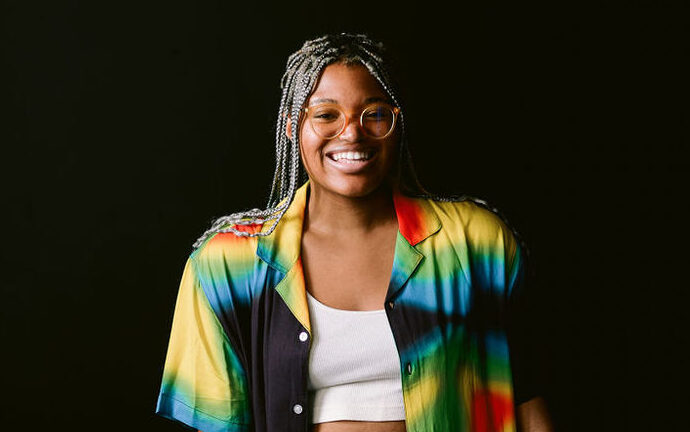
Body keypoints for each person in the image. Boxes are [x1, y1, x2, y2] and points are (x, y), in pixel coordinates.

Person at [155, 33, 554, 432]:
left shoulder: (477, 243)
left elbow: (526, 397)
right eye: (327, 115)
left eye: (374, 113)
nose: (352, 134)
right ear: (293, 127)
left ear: (397, 124)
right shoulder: (228, 265)